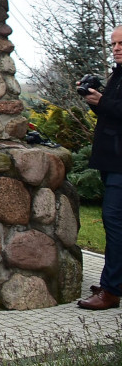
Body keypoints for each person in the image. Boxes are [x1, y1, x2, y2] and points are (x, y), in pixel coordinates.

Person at [76, 25, 122, 311]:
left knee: (114, 223)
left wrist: (102, 101)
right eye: (114, 43)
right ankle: (114, 280)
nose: (116, 48)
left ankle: (112, 290)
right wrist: (95, 101)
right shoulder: (118, 72)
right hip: (112, 161)